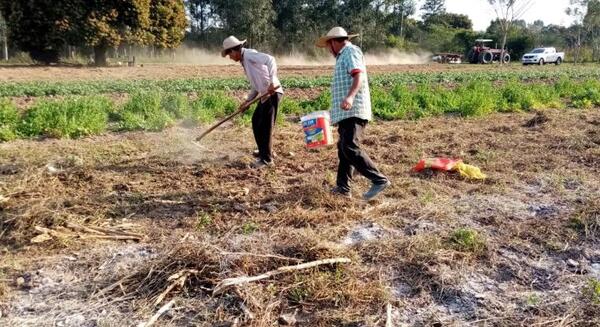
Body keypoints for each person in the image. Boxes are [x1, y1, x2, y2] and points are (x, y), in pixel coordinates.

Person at [316, 27, 390, 200]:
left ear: (334, 42)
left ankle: (379, 179)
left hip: (354, 109)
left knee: (349, 145)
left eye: (328, 46)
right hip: (344, 112)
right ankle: (343, 188)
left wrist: (350, 97)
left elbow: (359, 76)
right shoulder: (343, 56)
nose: (328, 50)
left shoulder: (350, 51)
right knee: (344, 149)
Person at [221, 36, 283, 169]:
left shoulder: (249, 55)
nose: (230, 58)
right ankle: (263, 151)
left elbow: (270, 59)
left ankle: (266, 160)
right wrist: (248, 101)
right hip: (264, 95)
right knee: (256, 121)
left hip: (272, 93)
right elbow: (256, 85)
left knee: (265, 126)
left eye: (229, 54)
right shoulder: (244, 61)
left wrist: (272, 81)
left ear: (234, 50)